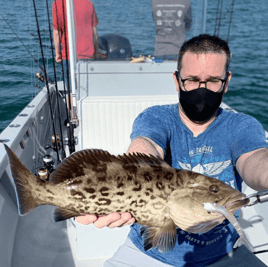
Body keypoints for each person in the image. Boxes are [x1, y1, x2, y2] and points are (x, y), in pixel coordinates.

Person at [76, 34, 268, 266]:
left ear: (226, 82)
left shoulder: (241, 126)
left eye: (213, 80)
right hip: (146, 252)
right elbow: (146, 147)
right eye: (192, 80)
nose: (202, 89)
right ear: (177, 81)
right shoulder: (157, 117)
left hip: (224, 254)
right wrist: (134, 169)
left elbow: (255, 161)